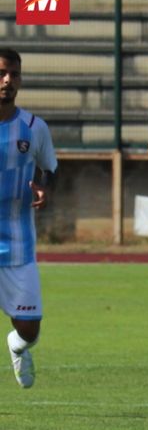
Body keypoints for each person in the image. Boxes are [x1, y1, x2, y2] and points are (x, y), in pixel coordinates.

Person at [0, 48, 56, 389]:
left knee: (29, 329)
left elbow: (50, 169)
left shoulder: (34, 128)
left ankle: (17, 346)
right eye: (1, 73)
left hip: (18, 246)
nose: (8, 80)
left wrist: (45, 188)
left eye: (14, 74)